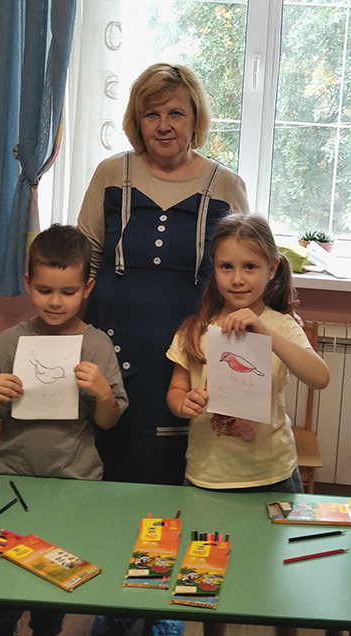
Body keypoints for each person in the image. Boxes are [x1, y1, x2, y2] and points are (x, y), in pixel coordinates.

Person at [78, 62, 250, 488]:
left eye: (175, 113)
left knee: (184, 470)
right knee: (111, 464)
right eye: (151, 114)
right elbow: (85, 258)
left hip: (192, 351)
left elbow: (246, 266)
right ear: (137, 122)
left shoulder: (227, 185)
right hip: (112, 346)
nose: (163, 125)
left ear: (195, 119)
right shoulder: (110, 174)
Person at [0, 224, 128, 636]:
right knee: (2, 574)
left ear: (87, 288)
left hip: (73, 481)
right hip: (8, 477)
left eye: (68, 292)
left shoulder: (97, 345)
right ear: (27, 283)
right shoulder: (10, 341)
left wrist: (103, 393)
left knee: (54, 576)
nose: (55, 302)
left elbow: (109, 420)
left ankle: (46, 626)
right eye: (44, 290)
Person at [165, 213, 328, 636]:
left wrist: (265, 333)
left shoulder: (281, 325)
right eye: (227, 266)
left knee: (280, 573)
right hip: (209, 476)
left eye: (250, 266)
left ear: (271, 269)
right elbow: (176, 390)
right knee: (206, 579)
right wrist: (184, 403)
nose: (238, 279)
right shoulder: (196, 329)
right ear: (214, 268)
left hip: (272, 473)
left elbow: (320, 377)